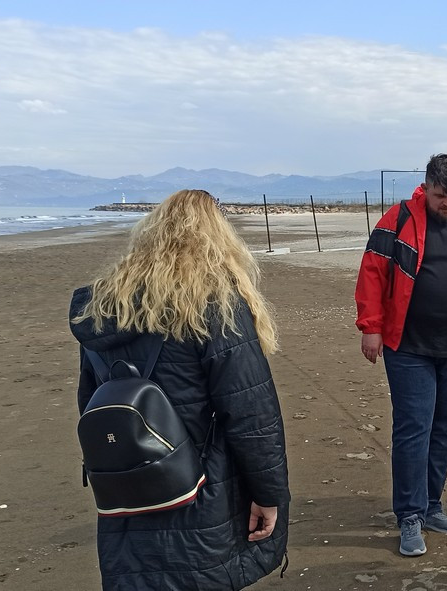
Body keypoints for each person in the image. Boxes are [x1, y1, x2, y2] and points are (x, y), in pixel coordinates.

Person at [69, 189, 289, 590]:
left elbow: (92, 402)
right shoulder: (216, 303)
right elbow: (251, 413)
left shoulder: (103, 306)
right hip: (200, 484)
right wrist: (269, 494)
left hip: (126, 484)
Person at [354, 153, 447, 557]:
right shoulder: (399, 218)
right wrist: (371, 327)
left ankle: (432, 505)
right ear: (426, 188)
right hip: (408, 347)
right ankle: (409, 515)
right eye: (441, 196)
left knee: (444, 428)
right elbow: (372, 272)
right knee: (413, 428)